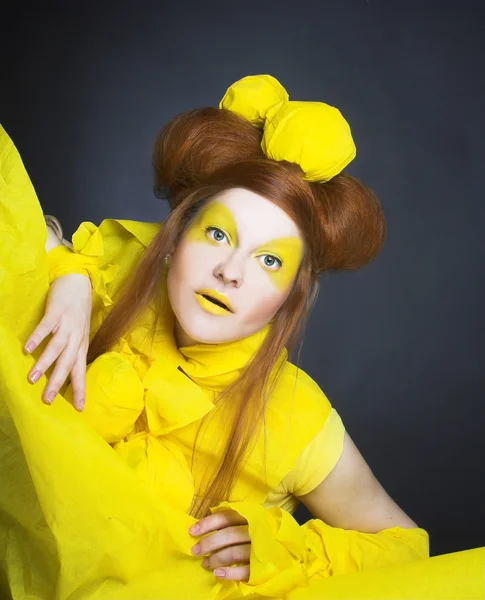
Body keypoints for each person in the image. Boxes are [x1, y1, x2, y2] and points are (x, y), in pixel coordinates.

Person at [0, 75, 482, 600]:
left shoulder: (295, 418)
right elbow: (17, 226)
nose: (231, 271)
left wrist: (278, 547)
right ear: (175, 236)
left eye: (269, 259)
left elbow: (404, 546)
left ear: (292, 295)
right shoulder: (110, 276)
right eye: (218, 234)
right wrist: (65, 272)